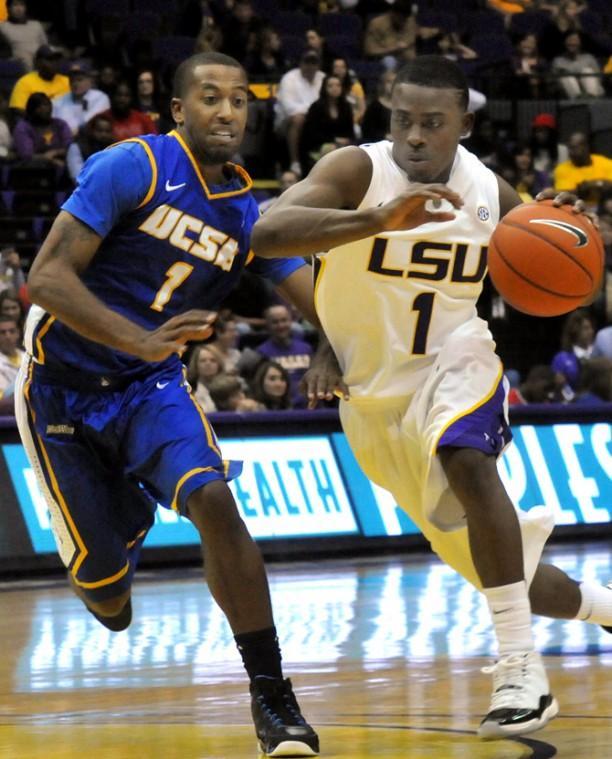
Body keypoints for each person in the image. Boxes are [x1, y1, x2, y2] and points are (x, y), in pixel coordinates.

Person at [253, 54, 612, 739]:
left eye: (432, 122)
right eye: (403, 120)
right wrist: (377, 221)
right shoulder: (359, 171)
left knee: (468, 459)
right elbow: (267, 232)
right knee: (513, 578)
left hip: (457, 363)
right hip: (374, 404)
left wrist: (568, 228)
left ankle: (520, 670)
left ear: (464, 126)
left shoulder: (485, 189)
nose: (414, 135)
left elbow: (564, 268)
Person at [16, 51, 319, 758]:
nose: (227, 111)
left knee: (214, 500)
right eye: (210, 98)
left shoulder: (246, 212)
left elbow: (310, 291)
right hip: (60, 385)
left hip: (148, 388)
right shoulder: (134, 166)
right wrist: (142, 338)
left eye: (240, 100)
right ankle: (121, 515)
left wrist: (334, 340)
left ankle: (273, 697)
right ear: (179, 110)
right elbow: (47, 278)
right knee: (109, 603)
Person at [274, 49, 325, 177]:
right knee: (298, 119)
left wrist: (313, 113)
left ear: (318, 65)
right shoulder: (289, 78)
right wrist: (312, 111)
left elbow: (325, 104)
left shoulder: (323, 77)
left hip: (315, 120)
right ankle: (294, 162)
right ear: (301, 63)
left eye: (314, 63)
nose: (310, 66)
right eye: (307, 62)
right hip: (286, 122)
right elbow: (289, 107)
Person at [255, 304, 313, 409]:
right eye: (275, 322)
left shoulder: (306, 349)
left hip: (307, 407)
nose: (280, 325)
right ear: (268, 325)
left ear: (291, 321)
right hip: (278, 408)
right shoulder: (261, 352)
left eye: (284, 320)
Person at [299, 74, 355, 175]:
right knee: (331, 149)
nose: (335, 88)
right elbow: (311, 134)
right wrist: (334, 139)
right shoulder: (316, 107)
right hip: (318, 146)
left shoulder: (346, 107)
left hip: (342, 145)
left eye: (338, 85)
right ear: (324, 88)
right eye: (330, 86)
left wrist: (346, 140)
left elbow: (350, 132)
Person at [12, 92, 72, 167]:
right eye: (39, 107)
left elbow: (70, 147)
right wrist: (50, 160)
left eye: (47, 104)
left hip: (62, 164)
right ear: (31, 110)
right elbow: (26, 155)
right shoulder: (23, 127)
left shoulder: (60, 124)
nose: (45, 109)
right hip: (32, 170)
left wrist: (55, 152)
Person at [554, 131, 612, 208]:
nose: (571, 153)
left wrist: (592, 184)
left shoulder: (606, 163)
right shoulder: (562, 169)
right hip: (577, 207)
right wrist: (583, 189)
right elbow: (564, 194)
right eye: (569, 148)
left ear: (586, 147)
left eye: (574, 148)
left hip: (604, 207)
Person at [52, 60, 110, 136]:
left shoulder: (100, 98)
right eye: (72, 80)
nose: (75, 84)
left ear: (90, 80)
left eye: (79, 80)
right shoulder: (60, 101)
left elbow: (89, 121)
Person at [9, 44, 69, 114]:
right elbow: (18, 109)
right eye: (50, 59)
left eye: (57, 59)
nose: (54, 63)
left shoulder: (67, 81)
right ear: (38, 62)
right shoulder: (25, 82)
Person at [550, 308, 596, 400]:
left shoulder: (598, 353)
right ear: (575, 331)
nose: (591, 332)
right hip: (573, 407)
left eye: (591, 328)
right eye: (586, 328)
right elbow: (561, 388)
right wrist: (574, 399)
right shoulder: (562, 358)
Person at [551, 30, 605, 99]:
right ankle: (578, 99)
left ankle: (591, 98)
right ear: (564, 42)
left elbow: (598, 78)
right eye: (569, 40)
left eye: (575, 40)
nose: (572, 43)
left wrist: (582, 82)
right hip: (569, 95)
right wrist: (575, 83)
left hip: (593, 93)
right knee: (565, 74)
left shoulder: (589, 58)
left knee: (587, 71)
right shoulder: (558, 61)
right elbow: (555, 82)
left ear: (580, 43)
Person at [66, 113, 114, 183]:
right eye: (99, 131)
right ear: (91, 131)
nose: (104, 135)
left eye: (107, 131)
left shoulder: (116, 148)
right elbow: (78, 178)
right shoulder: (76, 147)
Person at [0, 0, 46, 71]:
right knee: (25, 58)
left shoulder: (36, 24)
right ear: (9, 8)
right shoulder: (3, 26)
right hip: (20, 57)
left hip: (39, 55)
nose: (19, 9)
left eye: (22, 5)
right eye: (15, 5)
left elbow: (44, 45)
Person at [186, 342, 226, 413]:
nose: (208, 364)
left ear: (219, 364)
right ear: (196, 365)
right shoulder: (187, 391)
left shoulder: (229, 388)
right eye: (203, 361)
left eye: (213, 360)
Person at [0, 314, 23, 396]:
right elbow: (4, 397)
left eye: (12, 331)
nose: (8, 336)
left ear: (18, 333)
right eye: (2, 332)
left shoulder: (28, 357)